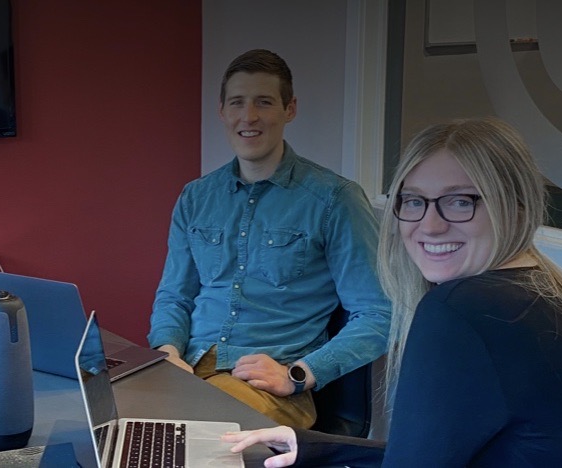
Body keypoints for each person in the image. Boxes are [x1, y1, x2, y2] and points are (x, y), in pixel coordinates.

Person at [223, 118, 562, 467]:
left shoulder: (466, 309)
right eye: (414, 201)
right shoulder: (538, 293)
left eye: (461, 200)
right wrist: (314, 447)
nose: (430, 224)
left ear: (514, 206)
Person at [148, 49, 391, 428]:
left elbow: (379, 314)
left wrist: (300, 373)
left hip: (267, 382)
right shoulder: (195, 198)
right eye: (238, 103)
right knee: (110, 420)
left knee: (189, 434)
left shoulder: (334, 199)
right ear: (222, 111)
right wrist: (167, 351)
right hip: (190, 369)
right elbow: (175, 296)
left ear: (289, 109)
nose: (249, 117)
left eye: (264, 102)